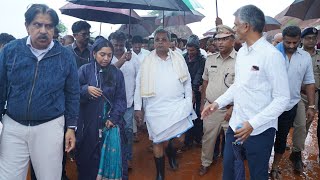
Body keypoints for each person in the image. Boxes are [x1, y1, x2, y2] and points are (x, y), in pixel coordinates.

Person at [201, 5, 290, 180]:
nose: (234, 29)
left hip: (259, 131)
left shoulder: (271, 56)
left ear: (246, 26)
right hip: (236, 126)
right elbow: (237, 86)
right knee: (230, 171)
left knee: (257, 175)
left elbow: (282, 99)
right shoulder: (242, 53)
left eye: (235, 25)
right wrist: (217, 103)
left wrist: (253, 124)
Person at [0, 4, 79, 180]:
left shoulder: (65, 56)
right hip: (13, 125)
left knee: (49, 177)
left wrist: (71, 127)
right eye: (37, 24)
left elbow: (73, 94)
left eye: (49, 26)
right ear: (27, 26)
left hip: (50, 126)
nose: (43, 30)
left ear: (54, 29)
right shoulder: (11, 51)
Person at [134, 29, 197, 180]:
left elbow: (187, 80)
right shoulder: (146, 61)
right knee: (157, 140)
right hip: (154, 107)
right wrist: (138, 108)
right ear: (153, 42)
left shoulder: (178, 58)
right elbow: (139, 85)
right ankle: (160, 174)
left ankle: (171, 152)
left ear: (170, 42)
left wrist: (189, 98)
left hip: (177, 105)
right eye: (157, 39)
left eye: (163, 39)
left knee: (179, 140)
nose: (160, 42)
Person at [76, 38, 127, 180]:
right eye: (102, 54)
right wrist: (86, 90)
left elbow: (121, 99)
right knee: (88, 160)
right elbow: (73, 93)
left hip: (110, 124)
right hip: (89, 123)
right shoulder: (84, 70)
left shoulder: (117, 73)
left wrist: (113, 118)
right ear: (94, 54)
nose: (106, 58)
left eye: (109, 55)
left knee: (111, 160)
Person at [270, 26, 316, 178]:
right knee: (267, 135)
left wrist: (311, 105)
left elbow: (309, 82)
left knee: (285, 135)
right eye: (287, 42)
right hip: (270, 104)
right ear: (282, 39)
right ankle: (261, 163)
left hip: (291, 104)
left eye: (294, 42)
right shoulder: (272, 54)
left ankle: (278, 165)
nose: (291, 46)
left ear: (299, 40)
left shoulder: (305, 57)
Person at [199, 25, 237, 176]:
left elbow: (244, 88)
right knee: (208, 138)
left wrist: (233, 108)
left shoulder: (241, 60)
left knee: (232, 143)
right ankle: (205, 163)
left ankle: (229, 168)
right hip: (211, 107)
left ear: (233, 41)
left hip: (231, 109)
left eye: (224, 39)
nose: (220, 43)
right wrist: (203, 103)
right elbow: (205, 82)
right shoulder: (210, 59)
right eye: (218, 40)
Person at [288, 27, 319, 173]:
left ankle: (296, 153)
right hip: (297, 94)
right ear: (302, 39)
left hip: (314, 95)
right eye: (308, 38)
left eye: (314, 38)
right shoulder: (296, 53)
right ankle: (292, 150)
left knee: (306, 124)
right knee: (299, 124)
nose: (311, 41)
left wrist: (312, 104)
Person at [109, 31, 140, 170]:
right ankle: (112, 159)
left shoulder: (134, 58)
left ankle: (127, 158)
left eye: (121, 45)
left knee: (127, 131)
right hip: (111, 103)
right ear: (111, 43)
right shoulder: (106, 56)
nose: (119, 48)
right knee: (112, 131)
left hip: (129, 102)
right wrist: (122, 60)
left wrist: (139, 103)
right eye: (115, 45)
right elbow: (109, 73)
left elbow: (139, 79)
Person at [183, 35, 206, 149]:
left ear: (197, 49)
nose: (190, 52)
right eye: (188, 50)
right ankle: (187, 141)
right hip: (184, 91)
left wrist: (193, 90)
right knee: (187, 114)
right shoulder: (183, 58)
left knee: (198, 114)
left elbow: (199, 75)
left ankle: (198, 138)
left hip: (198, 90)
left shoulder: (202, 60)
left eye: (192, 50)